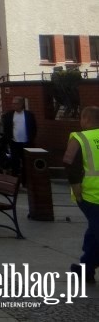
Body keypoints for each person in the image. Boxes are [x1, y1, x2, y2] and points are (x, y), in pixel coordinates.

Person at [63, 105, 99, 284]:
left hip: (90, 196)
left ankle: (86, 267)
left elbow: (71, 166)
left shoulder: (79, 138)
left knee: (96, 231)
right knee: (94, 230)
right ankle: (86, 267)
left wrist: (77, 192)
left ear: (85, 119)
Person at [1, 96, 37, 179]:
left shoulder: (29, 115)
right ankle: (14, 180)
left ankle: (25, 180)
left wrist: (31, 138)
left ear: (21, 104)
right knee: (14, 162)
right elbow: (6, 128)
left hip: (26, 142)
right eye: (13, 103)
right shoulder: (9, 115)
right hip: (14, 142)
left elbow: (33, 128)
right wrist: (8, 140)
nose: (14, 105)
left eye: (16, 104)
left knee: (26, 162)